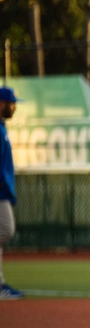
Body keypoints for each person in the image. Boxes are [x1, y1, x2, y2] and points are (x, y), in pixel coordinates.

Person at [0, 86, 24, 301]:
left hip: (4, 191)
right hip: (0, 192)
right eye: (11, 103)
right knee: (6, 230)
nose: (14, 107)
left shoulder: (1, 128)